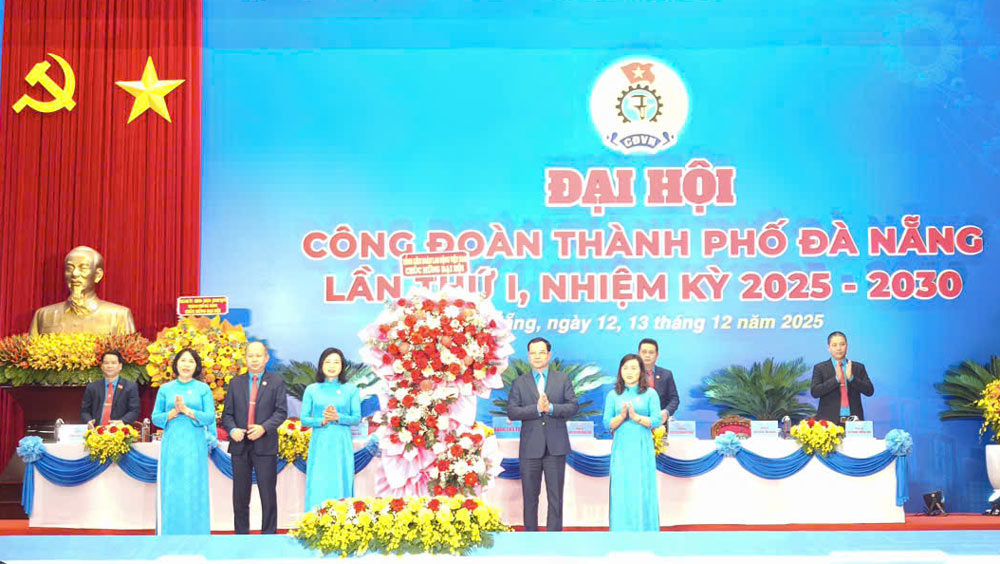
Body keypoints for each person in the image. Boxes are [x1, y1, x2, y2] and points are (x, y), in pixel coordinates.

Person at [506, 337, 578, 531]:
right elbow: (512, 411)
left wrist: (552, 407)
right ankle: (531, 538)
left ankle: (553, 538)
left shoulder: (562, 379)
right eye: (533, 353)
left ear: (549, 355)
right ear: (528, 356)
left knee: (556, 497)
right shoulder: (520, 382)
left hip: (556, 446)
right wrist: (536, 409)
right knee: (530, 497)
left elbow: (573, 406)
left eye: (541, 352)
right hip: (530, 447)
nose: (537, 356)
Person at [221, 341, 287, 534]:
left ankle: (268, 535)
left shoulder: (276, 382)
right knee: (240, 496)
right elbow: (227, 414)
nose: (254, 359)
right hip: (240, 446)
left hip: (265, 445)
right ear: (245, 358)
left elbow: (281, 412)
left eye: (258, 355)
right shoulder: (235, 383)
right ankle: (241, 535)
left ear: (266, 358)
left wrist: (264, 428)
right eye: (251, 355)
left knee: (267, 494)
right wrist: (232, 430)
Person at [151, 348, 216, 535]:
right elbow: (156, 417)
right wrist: (173, 413)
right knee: (172, 486)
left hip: (194, 444)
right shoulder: (165, 389)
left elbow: (210, 417)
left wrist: (187, 411)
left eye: (191, 361)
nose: (186, 364)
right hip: (172, 444)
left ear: (196, 366)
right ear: (176, 364)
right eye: (183, 360)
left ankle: (197, 532)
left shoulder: (203, 389)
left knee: (193, 486)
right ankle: (169, 531)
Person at [602, 353, 661, 532]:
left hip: (642, 447)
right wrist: (621, 417)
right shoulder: (614, 395)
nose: (629, 372)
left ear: (641, 371)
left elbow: (657, 420)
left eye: (634, 368)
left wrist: (636, 417)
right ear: (620, 371)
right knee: (622, 488)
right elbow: (606, 423)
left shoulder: (650, 393)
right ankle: (621, 530)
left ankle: (645, 530)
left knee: (642, 487)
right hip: (621, 449)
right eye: (626, 368)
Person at [301, 347, 361, 511]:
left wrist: (338, 417)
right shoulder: (312, 389)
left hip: (341, 443)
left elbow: (356, 418)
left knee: (340, 479)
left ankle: (341, 522)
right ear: (321, 365)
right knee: (319, 480)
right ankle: (314, 520)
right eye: (328, 362)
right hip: (320, 443)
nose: (332, 365)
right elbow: (304, 419)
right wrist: (322, 420)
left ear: (342, 366)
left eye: (336, 362)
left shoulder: (351, 389)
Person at [30, 246, 135, 335]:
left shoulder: (119, 316)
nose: (74, 274)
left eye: (83, 268)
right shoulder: (44, 315)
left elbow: (130, 355)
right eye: (69, 268)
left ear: (97, 275)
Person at [810, 331, 875, 423]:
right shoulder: (820, 368)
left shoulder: (857, 367)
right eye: (834, 345)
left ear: (847, 346)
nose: (839, 348)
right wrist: (836, 379)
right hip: (828, 423)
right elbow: (815, 392)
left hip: (854, 421)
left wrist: (852, 378)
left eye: (842, 344)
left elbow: (869, 391)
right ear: (828, 348)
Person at [80, 350, 140, 427]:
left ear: (120, 366)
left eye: (113, 363)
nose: (109, 366)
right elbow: (84, 411)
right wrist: (88, 421)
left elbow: (134, 410)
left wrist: (122, 422)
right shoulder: (92, 387)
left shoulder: (130, 387)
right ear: (101, 366)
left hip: (120, 432)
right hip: (96, 432)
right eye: (106, 363)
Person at [637, 338, 679, 422]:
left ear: (657, 355)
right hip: (637, 422)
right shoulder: (631, 374)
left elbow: (674, 399)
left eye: (651, 352)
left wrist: (666, 412)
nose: (647, 355)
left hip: (660, 423)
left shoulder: (666, 374)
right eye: (644, 352)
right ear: (638, 354)